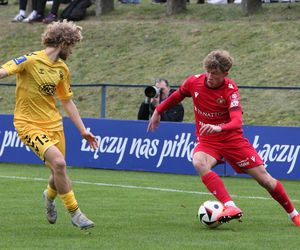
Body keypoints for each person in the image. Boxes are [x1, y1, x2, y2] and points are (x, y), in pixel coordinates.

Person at [147, 50, 300, 226]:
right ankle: (230, 206)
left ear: (225, 74)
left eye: (215, 74)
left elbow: (237, 121)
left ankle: (294, 214)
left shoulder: (230, 90)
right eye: (208, 72)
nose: (210, 77)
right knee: (198, 161)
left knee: (265, 180)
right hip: (208, 140)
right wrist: (158, 110)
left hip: (232, 140)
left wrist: (218, 127)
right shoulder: (194, 81)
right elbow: (177, 95)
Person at [0, 20, 98, 230]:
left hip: (54, 125)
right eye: (72, 46)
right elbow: (2, 71)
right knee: (60, 164)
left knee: (57, 171)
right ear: (64, 44)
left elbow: (67, 101)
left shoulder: (62, 69)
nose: (72, 51)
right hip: (28, 124)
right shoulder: (29, 60)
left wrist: (83, 131)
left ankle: (49, 196)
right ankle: (76, 213)